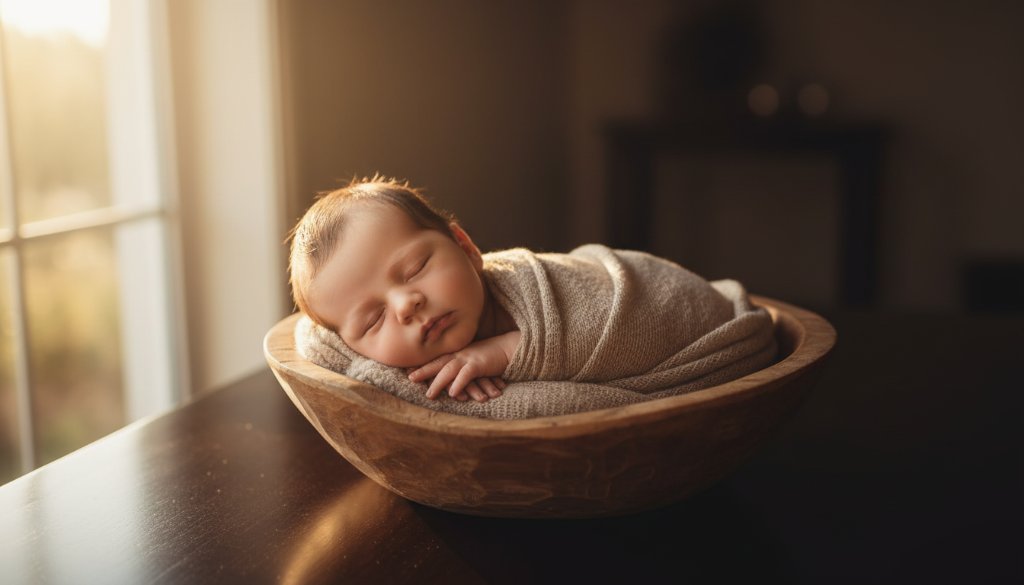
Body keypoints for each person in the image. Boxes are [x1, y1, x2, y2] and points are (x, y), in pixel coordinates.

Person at [289, 176, 520, 403]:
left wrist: (505, 351)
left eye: (415, 269)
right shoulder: (390, 383)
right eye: (374, 320)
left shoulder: (530, 286)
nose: (405, 305)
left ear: (465, 247)